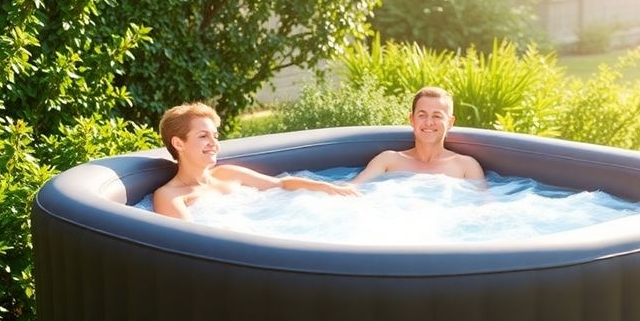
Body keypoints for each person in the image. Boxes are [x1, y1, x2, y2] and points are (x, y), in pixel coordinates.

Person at [152, 102, 357, 220]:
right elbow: (191, 243)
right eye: (203, 136)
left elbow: (282, 184)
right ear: (179, 143)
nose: (214, 143)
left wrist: (328, 187)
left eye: (215, 135)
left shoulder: (228, 173)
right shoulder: (169, 196)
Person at [350, 86, 485, 185]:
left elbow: (485, 209)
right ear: (412, 120)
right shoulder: (388, 161)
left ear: (450, 122)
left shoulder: (466, 166)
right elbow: (350, 189)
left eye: (437, 116)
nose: (429, 122)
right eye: (422, 115)